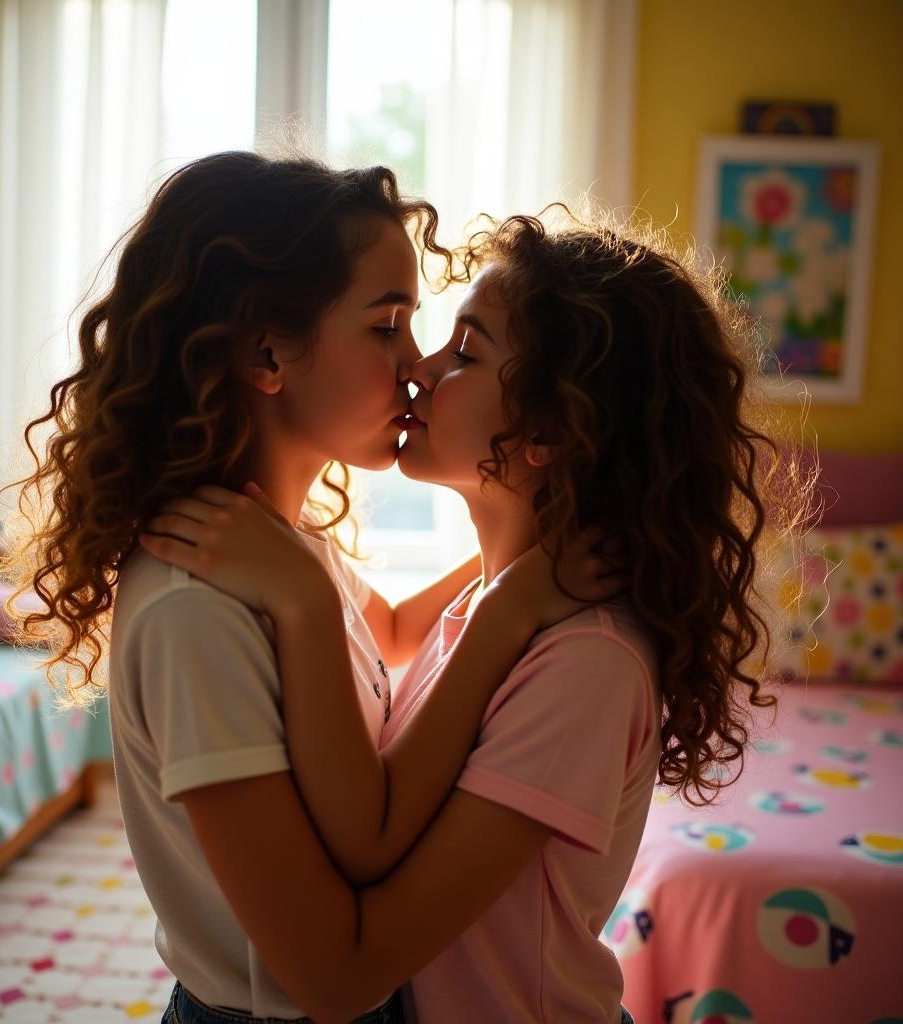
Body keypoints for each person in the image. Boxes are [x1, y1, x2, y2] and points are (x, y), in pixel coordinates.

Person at [143, 207, 809, 1023]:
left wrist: (319, 597)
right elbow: (391, 642)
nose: (416, 369)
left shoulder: (584, 660)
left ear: (550, 428)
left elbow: (369, 877)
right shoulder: (498, 598)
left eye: (463, 352)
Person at [4, 153, 615, 1024]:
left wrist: (537, 548)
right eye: (386, 327)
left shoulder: (280, 547)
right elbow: (330, 978)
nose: (415, 366)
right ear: (266, 354)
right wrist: (515, 606)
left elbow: (398, 630)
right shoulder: (199, 609)